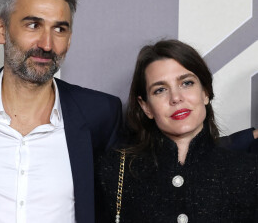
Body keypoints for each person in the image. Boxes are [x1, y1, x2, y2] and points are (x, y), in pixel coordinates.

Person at [0, 0, 122, 223]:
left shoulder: (100, 115)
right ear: (1, 30)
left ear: (69, 39)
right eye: (33, 25)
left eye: (59, 29)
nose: (47, 44)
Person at [95, 39, 258, 223]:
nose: (176, 98)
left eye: (186, 83)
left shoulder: (248, 171)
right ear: (146, 106)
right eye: (160, 90)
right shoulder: (114, 171)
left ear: (205, 92)